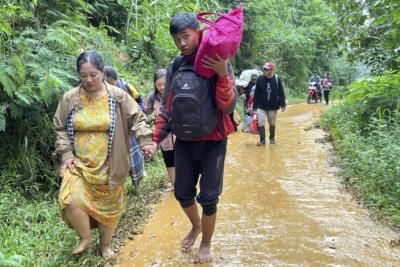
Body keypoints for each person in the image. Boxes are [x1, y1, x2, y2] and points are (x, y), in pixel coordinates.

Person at [150, 12, 236, 263]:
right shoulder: (176, 66)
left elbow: (228, 107)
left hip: (213, 142)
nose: (182, 43)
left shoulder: (217, 59)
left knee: (208, 198)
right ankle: (196, 226)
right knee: (182, 193)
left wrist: (221, 73)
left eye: (185, 37)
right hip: (185, 141)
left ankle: (206, 244)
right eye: (177, 39)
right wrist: (155, 140)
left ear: (198, 32)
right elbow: (167, 107)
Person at [53, 51, 156, 258]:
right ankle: (85, 238)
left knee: (110, 205)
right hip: (79, 164)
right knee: (70, 197)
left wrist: (145, 140)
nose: (89, 80)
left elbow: (137, 118)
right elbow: (60, 127)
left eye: (94, 75)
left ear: (102, 72)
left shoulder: (118, 97)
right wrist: (66, 153)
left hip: (110, 162)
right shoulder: (70, 98)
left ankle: (105, 244)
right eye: (83, 76)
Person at [144, 68, 176, 191]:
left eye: (164, 84)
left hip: (178, 134)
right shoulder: (153, 97)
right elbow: (145, 111)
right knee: (169, 159)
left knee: (181, 159)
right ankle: (174, 184)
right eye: (158, 85)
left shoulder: (175, 93)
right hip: (163, 135)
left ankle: (183, 184)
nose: (162, 87)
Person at [253, 61, 286, 145]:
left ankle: (272, 138)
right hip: (261, 105)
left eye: (266, 69)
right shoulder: (260, 79)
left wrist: (283, 104)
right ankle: (262, 140)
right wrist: (254, 106)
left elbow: (281, 92)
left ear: (271, 70)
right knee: (260, 122)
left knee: (272, 123)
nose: (264, 71)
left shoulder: (276, 79)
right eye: (264, 69)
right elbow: (256, 93)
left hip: (273, 106)